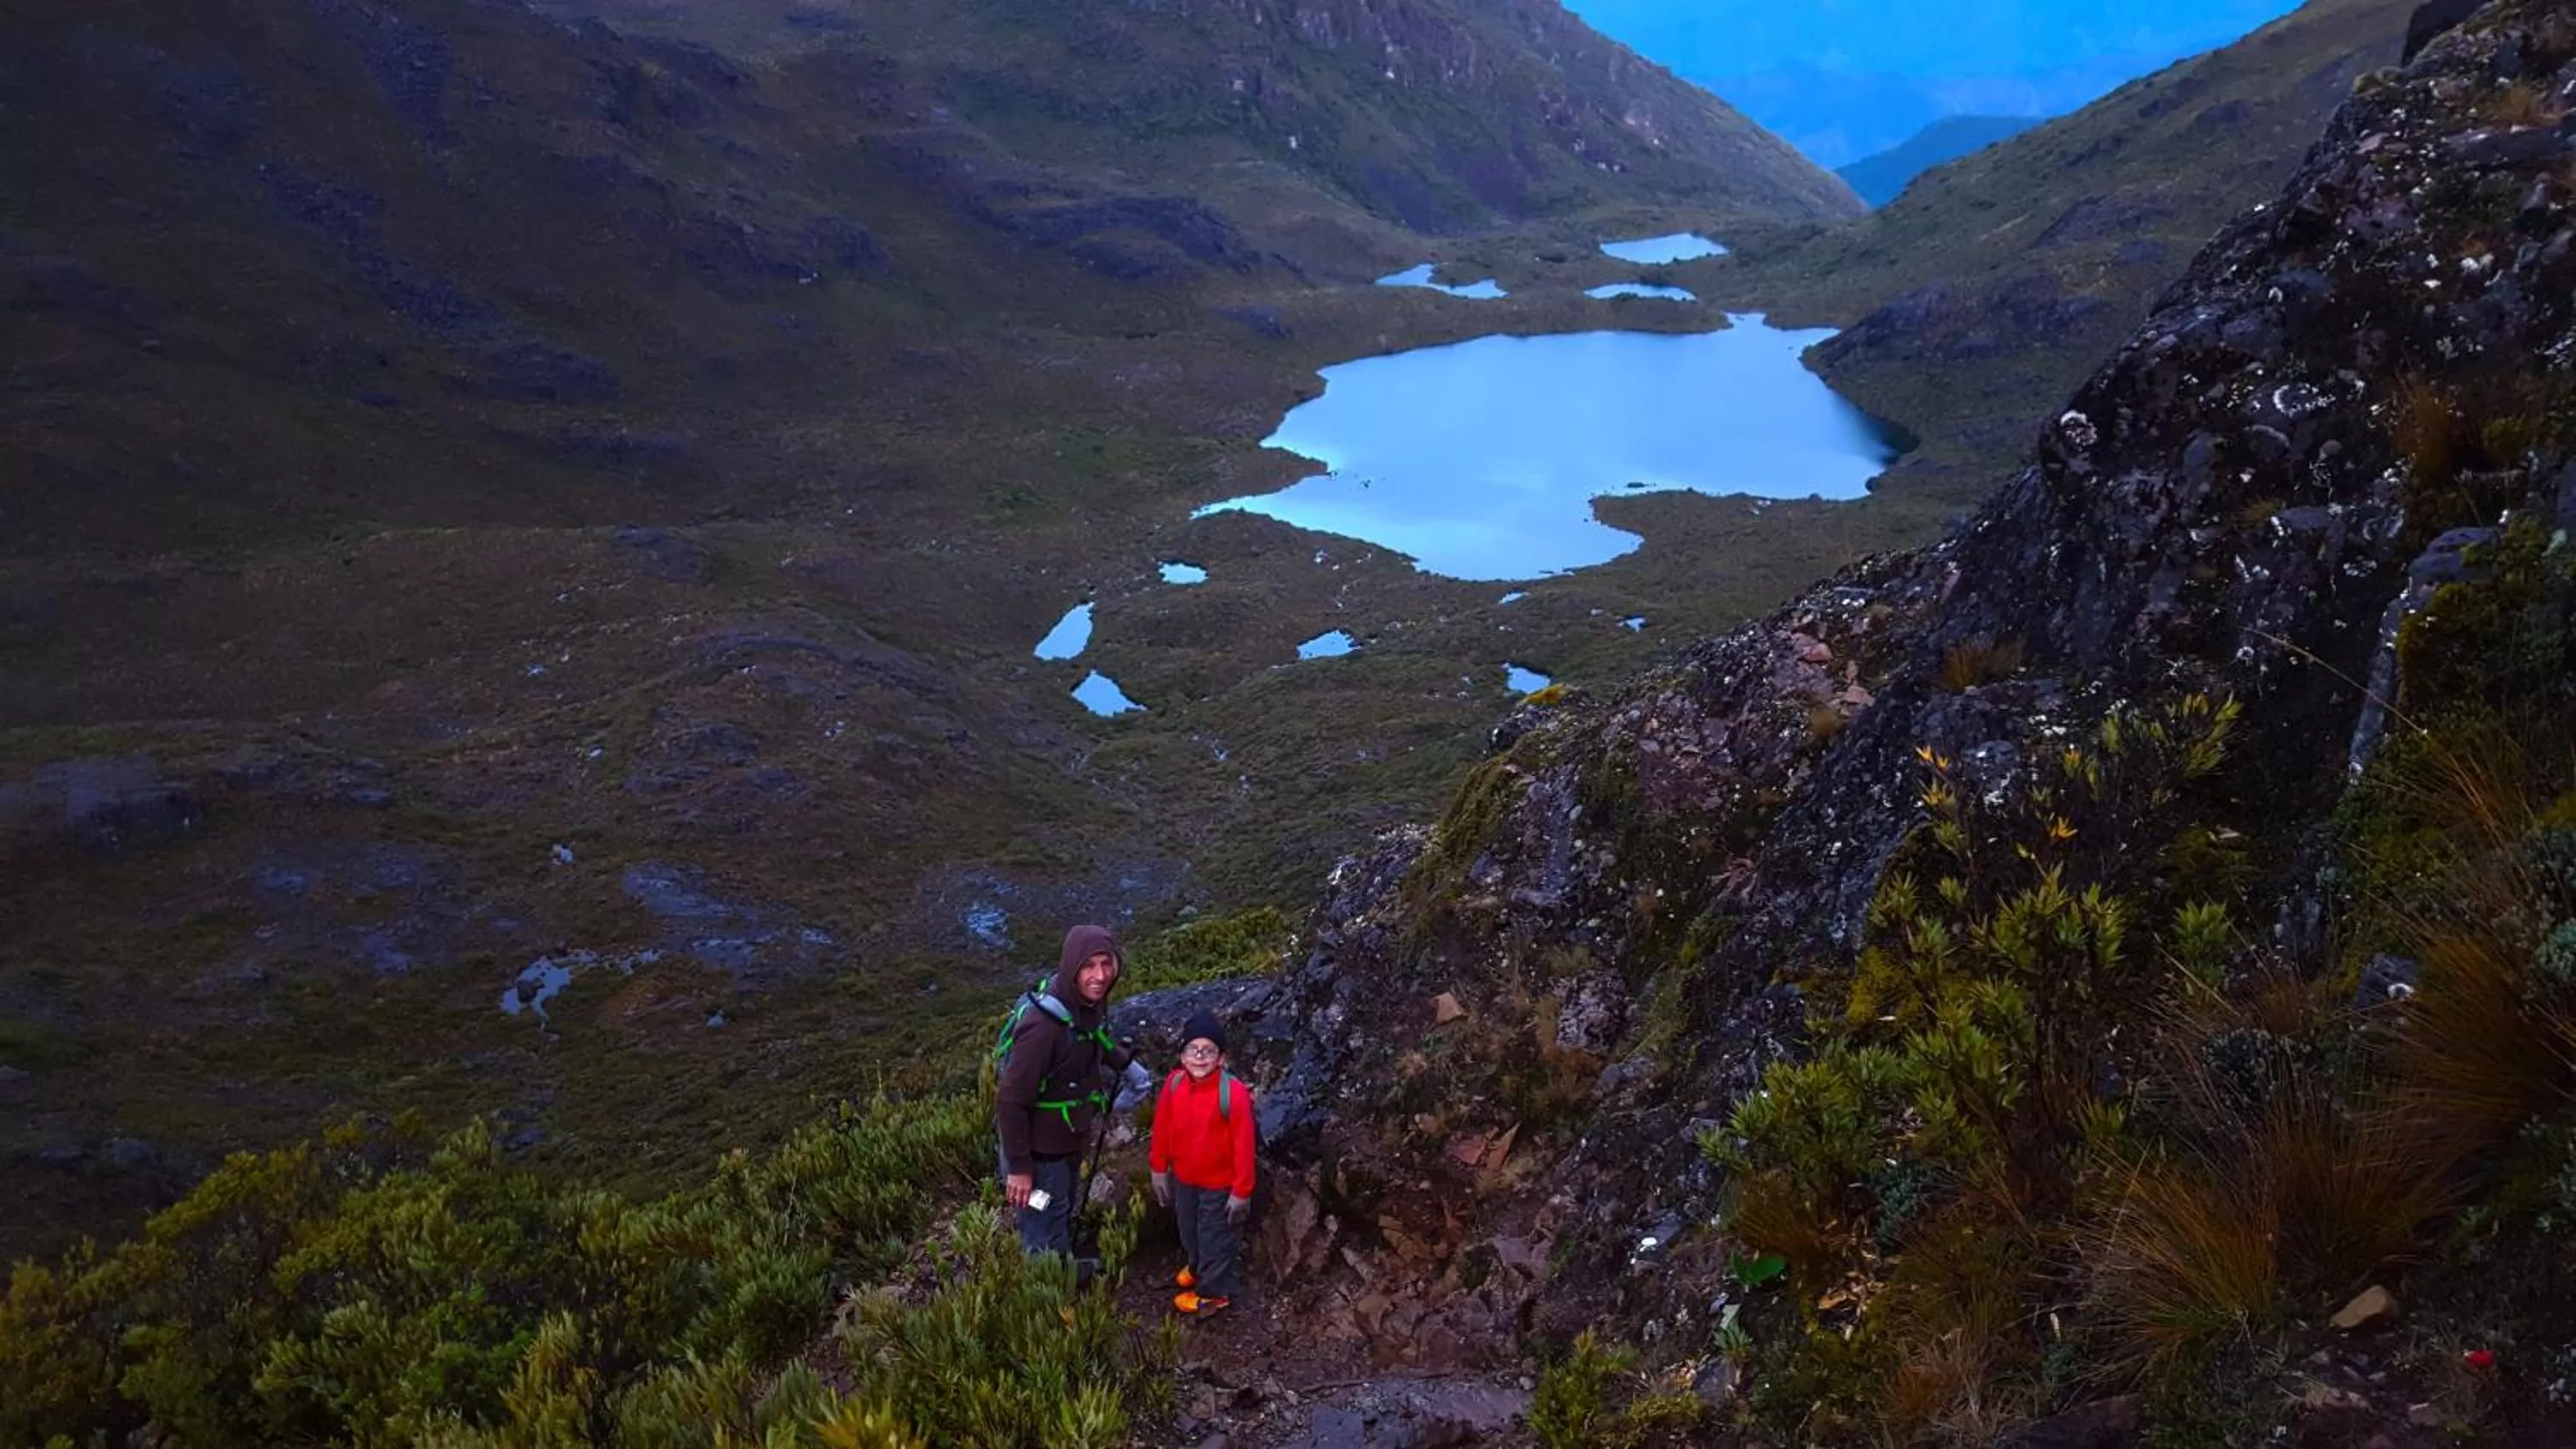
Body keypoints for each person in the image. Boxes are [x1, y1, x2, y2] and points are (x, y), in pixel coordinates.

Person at [994, 923, 1145, 1260]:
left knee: (1060, 1207)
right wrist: (1019, 1169)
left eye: (1107, 964)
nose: (1100, 975)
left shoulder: (1086, 1004)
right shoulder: (1043, 1027)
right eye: (1089, 966)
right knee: (1041, 1217)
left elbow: (1093, 1034)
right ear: (1072, 967)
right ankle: (1048, 1291)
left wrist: (1125, 1064)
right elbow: (1011, 1101)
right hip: (1037, 1158)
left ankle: (1061, 1266)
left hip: (1066, 1142)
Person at [1150, 1009, 1256, 1316]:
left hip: (1220, 1184)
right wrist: (1159, 1167)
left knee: (1214, 1237)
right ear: (1182, 1056)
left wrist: (1242, 1191)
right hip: (1184, 1177)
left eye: (1208, 1050)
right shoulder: (1173, 1084)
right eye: (1192, 1049)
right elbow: (1162, 1127)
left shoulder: (1233, 1094)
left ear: (1221, 1058)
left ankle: (1213, 1294)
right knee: (1188, 1229)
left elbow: (1244, 1145)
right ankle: (1196, 1268)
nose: (1199, 1056)